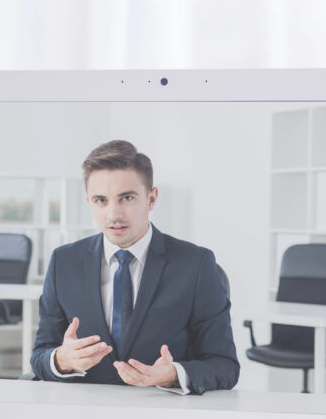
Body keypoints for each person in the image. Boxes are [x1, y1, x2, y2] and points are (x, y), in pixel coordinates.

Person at [30, 140, 238, 394]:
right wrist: (61, 360)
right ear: (89, 202)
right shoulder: (64, 262)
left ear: (152, 198)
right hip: (85, 413)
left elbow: (224, 365)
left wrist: (173, 374)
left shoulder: (196, 264)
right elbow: (40, 355)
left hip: (165, 416)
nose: (113, 214)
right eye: (101, 200)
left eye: (126, 198)